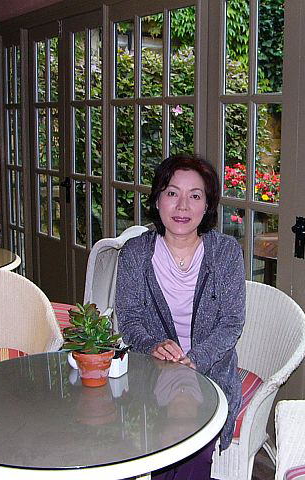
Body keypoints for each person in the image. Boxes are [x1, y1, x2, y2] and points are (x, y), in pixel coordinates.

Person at [115, 154, 246, 479]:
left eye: (195, 196)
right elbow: (129, 320)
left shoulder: (225, 252)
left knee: (188, 442)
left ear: (207, 205)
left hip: (210, 374)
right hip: (151, 376)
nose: (182, 206)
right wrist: (153, 345)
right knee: (157, 444)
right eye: (172, 193)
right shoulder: (135, 253)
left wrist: (195, 359)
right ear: (158, 199)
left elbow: (232, 322)